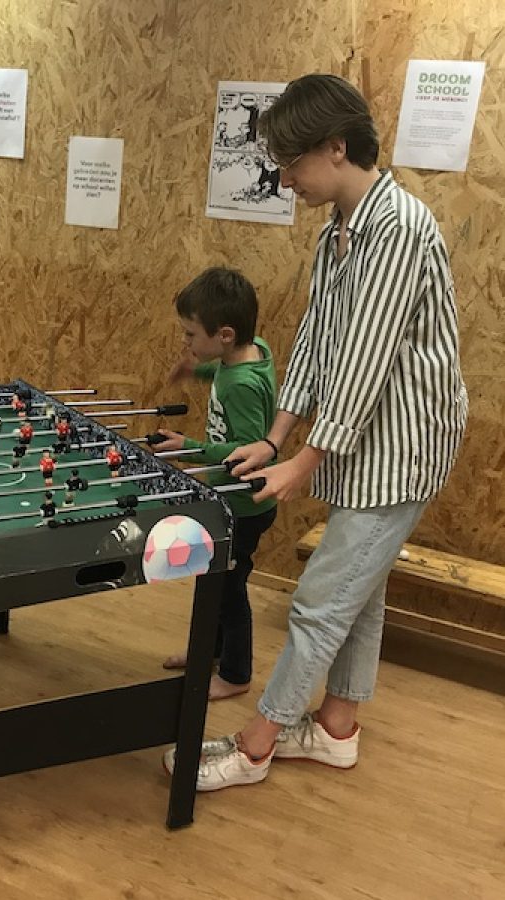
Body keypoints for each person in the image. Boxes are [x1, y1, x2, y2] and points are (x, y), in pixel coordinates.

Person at [165, 74, 467, 791]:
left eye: (293, 163)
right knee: (358, 592)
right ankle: (334, 729)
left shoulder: (398, 227)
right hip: (364, 440)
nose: (287, 178)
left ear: (337, 147)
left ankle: (257, 743)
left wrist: (299, 465)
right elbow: (315, 345)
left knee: (320, 600)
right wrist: (274, 438)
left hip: (402, 443)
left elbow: (362, 365)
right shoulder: (339, 232)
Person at [158, 267, 278, 701]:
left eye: (191, 335)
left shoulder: (241, 385)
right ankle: (208, 651)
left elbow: (245, 450)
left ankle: (235, 673)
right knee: (216, 580)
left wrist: (184, 445)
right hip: (234, 502)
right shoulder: (252, 351)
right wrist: (198, 372)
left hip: (242, 506)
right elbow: (226, 371)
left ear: (224, 334)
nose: (186, 343)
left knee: (229, 591)